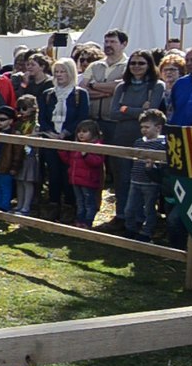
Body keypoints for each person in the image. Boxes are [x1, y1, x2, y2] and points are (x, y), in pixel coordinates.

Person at [106, 49, 164, 228]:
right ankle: (121, 215)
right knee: (122, 179)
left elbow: (151, 113)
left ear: (149, 65)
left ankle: (141, 220)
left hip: (145, 139)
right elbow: (113, 113)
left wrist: (126, 109)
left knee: (143, 180)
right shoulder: (121, 87)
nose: (136, 67)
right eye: (133, 63)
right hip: (122, 137)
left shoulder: (157, 86)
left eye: (141, 63)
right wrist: (138, 109)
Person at [38, 57, 90, 222]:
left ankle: (69, 206)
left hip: (70, 140)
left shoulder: (79, 94)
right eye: (57, 72)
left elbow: (82, 117)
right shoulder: (48, 94)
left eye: (63, 72)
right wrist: (49, 132)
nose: (59, 75)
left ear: (71, 73)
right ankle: (53, 204)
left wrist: (66, 132)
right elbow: (43, 117)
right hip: (51, 139)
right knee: (53, 174)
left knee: (69, 174)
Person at [124, 109, 168, 242]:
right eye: (142, 127)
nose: (144, 130)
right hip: (135, 180)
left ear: (158, 127)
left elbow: (163, 164)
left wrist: (153, 166)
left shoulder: (162, 144)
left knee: (149, 209)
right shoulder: (138, 142)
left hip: (151, 183)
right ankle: (130, 229)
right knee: (129, 209)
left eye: (147, 127)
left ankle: (147, 232)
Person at [60, 120, 105, 228]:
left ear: (93, 133)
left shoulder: (97, 146)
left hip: (88, 181)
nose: (81, 134)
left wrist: (86, 155)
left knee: (89, 203)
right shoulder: (76, 146)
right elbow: (69, 160)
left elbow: (97, 162)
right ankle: (79, 221)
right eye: (79, 131)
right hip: (76, 179)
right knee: (80, 202)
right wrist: (61, 151)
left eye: (85, 131)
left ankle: (88, 222)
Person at [12, 94, 40, 216]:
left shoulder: (36, 123)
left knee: (27, 181)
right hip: (19, 154)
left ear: (33, 108)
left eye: (24, 108)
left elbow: (35, 136)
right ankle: (19, 204)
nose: (21, 112)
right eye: (19, 109)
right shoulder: (18, 122)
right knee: (19, 180)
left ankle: (26, 206)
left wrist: (23, 137)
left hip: (30, 154)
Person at [0, 105, 21, 212]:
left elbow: (17, 154)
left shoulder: (15, 134)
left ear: (11, 120)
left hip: (6, 167)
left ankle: (4, 207)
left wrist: (14, 167)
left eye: (2, 119)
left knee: (5, 187)